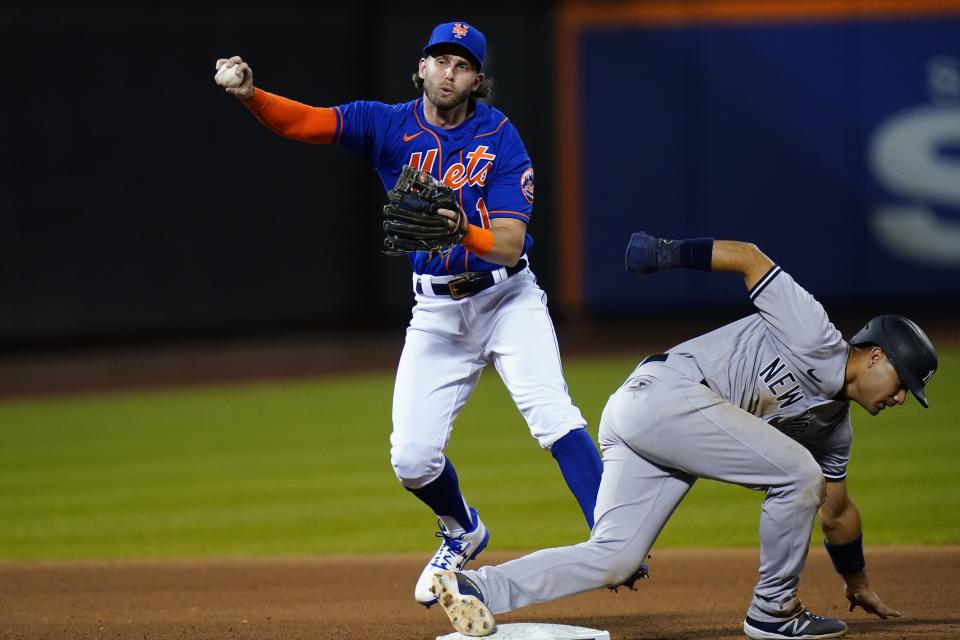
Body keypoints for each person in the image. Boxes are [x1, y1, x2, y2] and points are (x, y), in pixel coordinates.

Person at [214, 21, 604, 607]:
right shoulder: (386, 123)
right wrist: (252, 95)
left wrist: (459, 228)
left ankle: (617, 537)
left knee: (552, 413)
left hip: (507, 300)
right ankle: (462, 529)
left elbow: (507, 243)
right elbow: (307, 122)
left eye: (462, 64)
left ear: (477, 79)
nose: (449, 71)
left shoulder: (500, 137)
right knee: (412, 459)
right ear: (420, 68)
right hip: (436, 312)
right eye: (440, 60)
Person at [430, 231, 938, 639]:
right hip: (663, 396)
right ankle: (774, 611)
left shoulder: (835, 429)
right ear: (874, 356)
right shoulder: (814, 332)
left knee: (616, 557)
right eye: (901, 383)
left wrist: (857, 580)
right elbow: (749, 258)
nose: (898, 399)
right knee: (798, 472)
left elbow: (837, 512)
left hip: (650, 417)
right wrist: (665, 254)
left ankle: (480, 586)